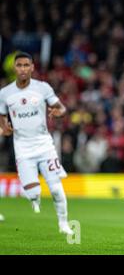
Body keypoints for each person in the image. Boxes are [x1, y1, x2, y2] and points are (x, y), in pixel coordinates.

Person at [0, 52, 74, 235]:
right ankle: (34, 198)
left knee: (56, 188)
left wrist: (59, 112)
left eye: (26, 65)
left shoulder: (43, 88)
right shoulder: (5, 93)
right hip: (22, 148)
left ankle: (64, 224)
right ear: (14, 68)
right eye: (19, 65)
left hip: (44, 144)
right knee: (32, 193)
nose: (23, 69)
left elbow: (61, 107)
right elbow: (2, 115)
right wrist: (5, 127)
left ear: (32, 67)